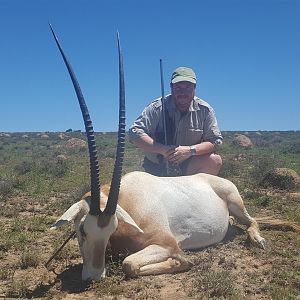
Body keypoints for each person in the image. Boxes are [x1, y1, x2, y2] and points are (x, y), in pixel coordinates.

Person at [128, 66, 223, 177]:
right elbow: (134, 133)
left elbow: (215, 141)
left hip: (187, 165)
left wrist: (190, 151)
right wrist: (163, 150)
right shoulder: (156, 108)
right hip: (157, 167)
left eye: (188, 88)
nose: (183, 92)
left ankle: (195, 193)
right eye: (178, 88)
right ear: (171, 88)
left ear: (195, 88)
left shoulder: (205, 110)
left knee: (214, 161)